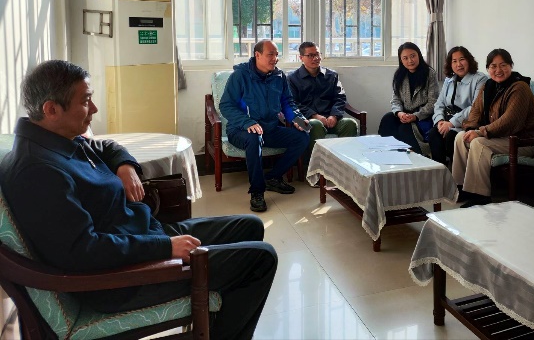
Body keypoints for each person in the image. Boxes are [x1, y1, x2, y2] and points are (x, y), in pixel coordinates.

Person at [0, 60, 277, 340]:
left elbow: (105, 146)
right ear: (51, 109)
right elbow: (83, 251)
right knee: (261, 259)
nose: (94, 109)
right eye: (85, 101)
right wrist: (165, 248)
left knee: (250, 226)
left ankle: (220, 319)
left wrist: (125, 166)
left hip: (140, 236)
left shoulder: (54, 139)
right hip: (122, 279)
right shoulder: (38, 172)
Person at [220, 39, 310, 212]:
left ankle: (273, 178)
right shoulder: (240, 76)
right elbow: (226, 105)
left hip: (269, 129)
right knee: (254, 138)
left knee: (302, 136)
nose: (275, 58)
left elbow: (287, 103)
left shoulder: (279, 76)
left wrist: (298, 119)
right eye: (270, 54)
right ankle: (257, 192)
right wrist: (247, 122)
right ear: (257, 55)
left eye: (276, 55)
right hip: (240, 130)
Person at [452, 48, 534, 207]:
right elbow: (475, 111)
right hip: (499, 138)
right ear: (488, 69)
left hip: (522, 142)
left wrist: (480, 132)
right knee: (460, 137)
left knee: (479, 143)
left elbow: (510, 121)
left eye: (503, 65)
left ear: (511, 66)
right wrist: (470, 129)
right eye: (493, 66)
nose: (498, 70)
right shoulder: (489, 86)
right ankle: (462, 188)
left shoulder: (520, 87)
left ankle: (480, 196)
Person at [289, 41, 358, 164]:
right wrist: (313, 115)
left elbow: (340, 98)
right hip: (303, 120)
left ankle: (343, 166)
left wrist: (334, 115)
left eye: (317, 54)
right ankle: (315, 167)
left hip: (329, 119)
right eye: (310, 55)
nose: (315, 58)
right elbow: (292, 103)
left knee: (350, 123)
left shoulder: (331, 75)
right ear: (301, 58)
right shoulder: (292, 78)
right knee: (314, 124)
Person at [428, 46, 487, 166]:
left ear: (469, 60)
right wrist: (440, 121)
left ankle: (455, 174)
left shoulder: (480, 79)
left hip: (466, 122)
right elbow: (439, 103)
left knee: (451, 137)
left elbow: (475, 107)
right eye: (454, 61)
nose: (458, 64)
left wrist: (451, 123)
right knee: (433, 134)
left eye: (462, 59)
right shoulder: (449, 79)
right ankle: (440, 171)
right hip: (446, 120)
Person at [378, 42, 439, 154]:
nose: (410, 61)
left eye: (412, 56)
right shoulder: (399, 75)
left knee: (404, 128)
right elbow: (395, 100)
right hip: (404, 115)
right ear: (401, 60)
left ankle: (417, 156)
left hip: (423, 117)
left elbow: (433, 103)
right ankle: (386, 153)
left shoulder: (430, 74)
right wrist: (399, 113)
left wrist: (415, 116)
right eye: (405, 58)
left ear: (419, 55)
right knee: (388, 118)